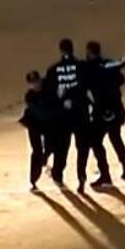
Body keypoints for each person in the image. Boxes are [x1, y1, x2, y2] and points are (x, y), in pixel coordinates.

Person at [84, 41, 125, 187]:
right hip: (116, 110)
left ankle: (105, 175)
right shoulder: (109, 65)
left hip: (100, 111)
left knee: (96, 142)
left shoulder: (88, 69)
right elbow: (121, 78)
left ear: (89, 52)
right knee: (116, 139)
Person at [43, 38, 88, 190]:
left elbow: (49, 92)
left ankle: (58, 174)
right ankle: (81, 176)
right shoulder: (82, 66)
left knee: (62, 146)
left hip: (63, 115)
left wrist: (62, 100)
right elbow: (86, 87)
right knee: (82, 147)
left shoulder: (53, 69)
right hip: (81, 112)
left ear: (61, 50)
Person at [19, 70, 55, 191]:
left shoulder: (49, 89)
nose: (35, 85)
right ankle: (33, 179)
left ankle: (45, 157)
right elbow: (40, 112)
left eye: (36, 82)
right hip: (34, 125)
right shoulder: (29, 96)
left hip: (48, 123)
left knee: (51, 146)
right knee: (36, 151)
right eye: (32, 83)